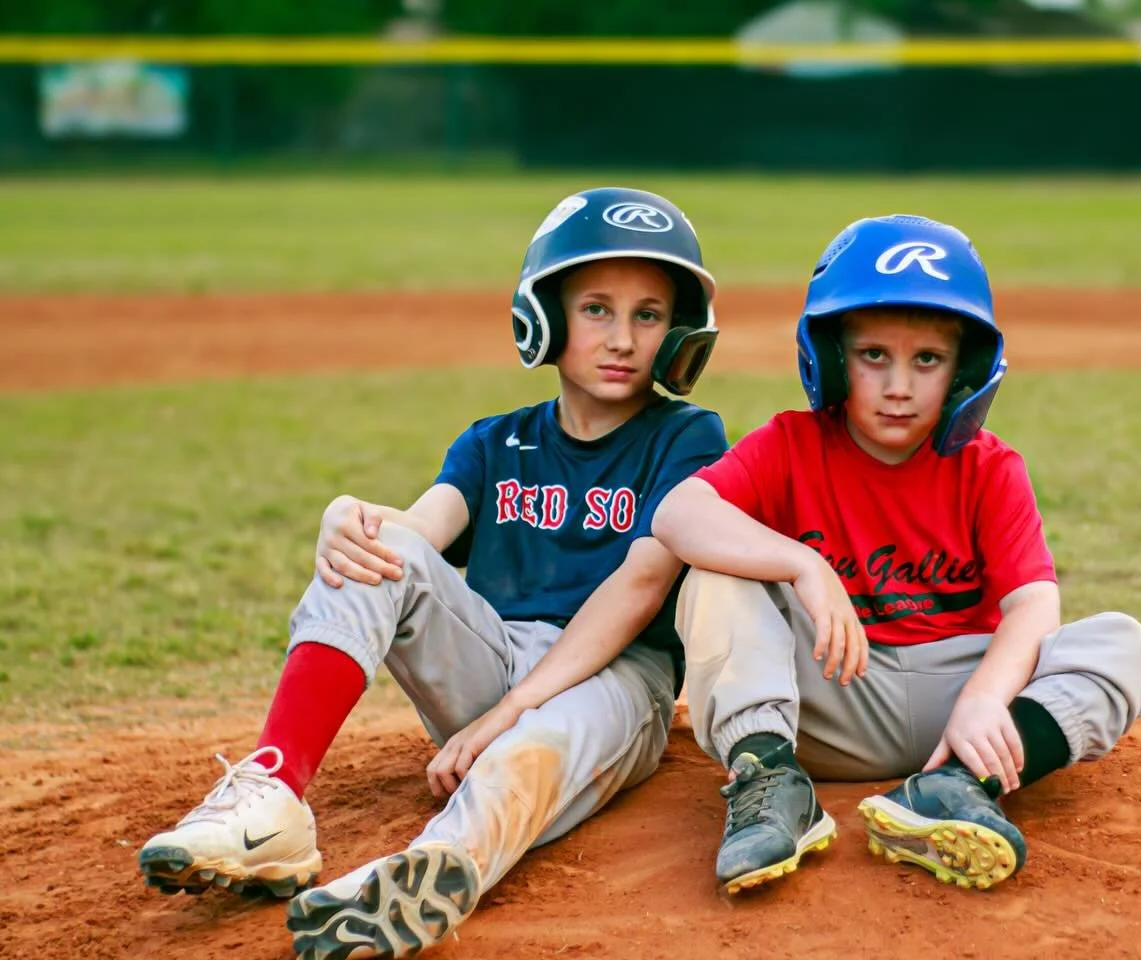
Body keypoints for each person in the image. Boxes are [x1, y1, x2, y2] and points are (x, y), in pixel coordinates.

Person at [137, 187, 729, 959]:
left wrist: (502, 716)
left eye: (648, 314)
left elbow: (641, 587)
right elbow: (414, 540)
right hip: (491, 660)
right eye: (596, 309)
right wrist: (347, 518)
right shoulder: (494, 443)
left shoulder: (687, 437)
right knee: (373, 543)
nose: (622, 337)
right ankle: (272, 797)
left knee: (532, 750)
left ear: (678, 335)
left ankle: (436, 867)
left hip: (616, 680)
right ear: (544, 315)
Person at [650, 214, 1141, 894]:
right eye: (873, 356)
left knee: (1121, 643)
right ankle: (772, 782)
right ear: (830, 359)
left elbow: (1033, 603)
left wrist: (983, 701)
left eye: (927, 359)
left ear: (964, 372)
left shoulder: (987, 466)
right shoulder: (794, 444)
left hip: (963, 713)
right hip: (833, 699)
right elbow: (677, 514)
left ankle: (952, 791)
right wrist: (805, 564)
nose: (898, 385)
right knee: (714, 575)